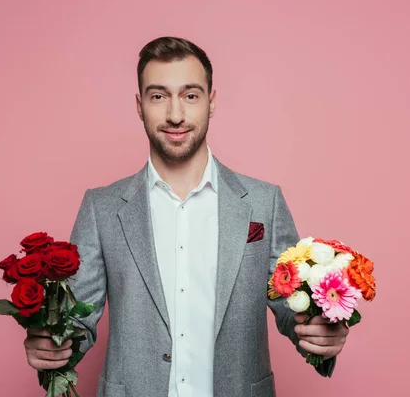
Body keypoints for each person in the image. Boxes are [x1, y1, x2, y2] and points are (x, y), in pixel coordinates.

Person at [23, 36, 349, 397]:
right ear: (139, 105)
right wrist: (50, 345)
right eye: (158, 96)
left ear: (211, 102)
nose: (175, 115)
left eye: (190, 95)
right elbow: (77, 322)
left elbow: (293, 308)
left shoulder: (263, 203)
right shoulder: (102, 209)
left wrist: (321, 332)